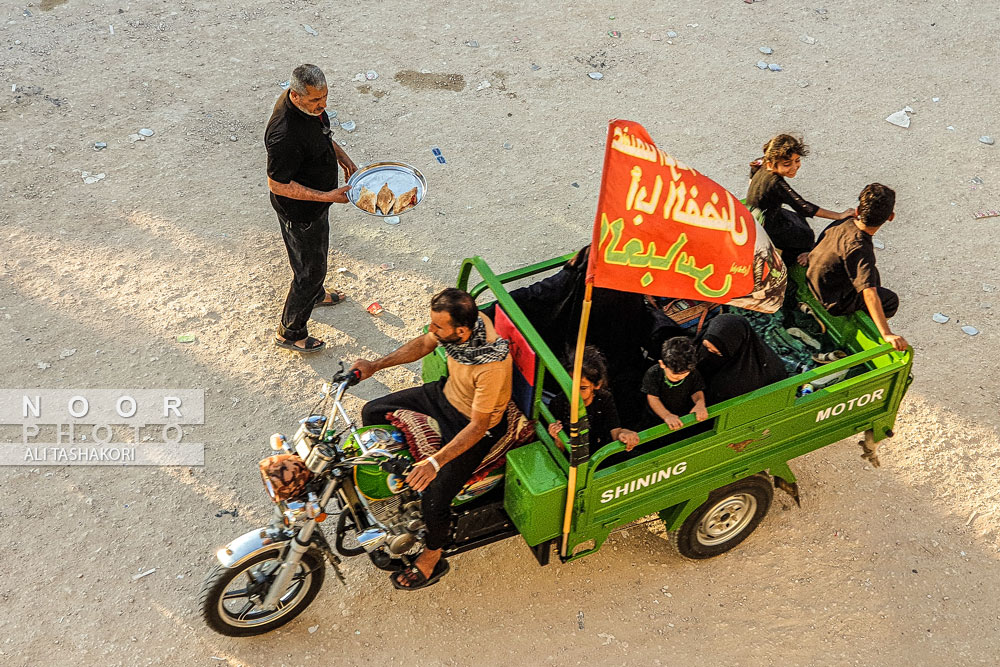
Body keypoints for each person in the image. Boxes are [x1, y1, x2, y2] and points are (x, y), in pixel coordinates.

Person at [350, 288, 512, 590]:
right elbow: (425, 342)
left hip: (472, 425)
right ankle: (397, 495)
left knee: (436, 498)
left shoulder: (491, 366)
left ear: (461, 330)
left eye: (439, 327)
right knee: (373, 411)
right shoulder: (459, 333)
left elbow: (478, 426)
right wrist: (375, 366)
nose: (432, 330)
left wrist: (433, 463)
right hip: (446, 395)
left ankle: (433, 555)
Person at [265, 64, 358, 353]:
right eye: (317, 100)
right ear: (295, 96)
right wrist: (327, 196)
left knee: (311, 260)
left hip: (317, 206)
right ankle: (290, 332)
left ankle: (315, 295)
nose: (324, 105)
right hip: (300, 213)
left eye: (325, 96)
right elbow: (277, 184)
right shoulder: (284, 135)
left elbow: (323, 135)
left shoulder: (310, 109)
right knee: (310, 271)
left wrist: (342, 157)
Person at [806, 183, 908, 351]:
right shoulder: (861, 248)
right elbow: (869, 293)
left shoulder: (844, 222)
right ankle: (863, 327)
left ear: (858, 211)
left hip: (814, 280)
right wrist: (886, 333)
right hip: (832, 301)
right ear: (891, 217)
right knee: (889, 300)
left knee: (871, 274)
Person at [746, 134, 855, 267]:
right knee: (806, 237)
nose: (794, 167)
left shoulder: (761, 162)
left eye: (797, 160)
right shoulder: (776, 183)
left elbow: (752, 173)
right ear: (770, 165)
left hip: (757, 214)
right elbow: (803, 207)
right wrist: (839, 215)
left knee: (799, 223)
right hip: (770, 225)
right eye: (787, 164)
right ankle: (789, 263)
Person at [547, 346, 640, 451]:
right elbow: (561, 448)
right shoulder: (558, 403)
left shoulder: (604, 398)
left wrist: (625, 434)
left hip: (599, 454)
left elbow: (615, 431)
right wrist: (557, 436)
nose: (575, 394)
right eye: (570, 386)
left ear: (597, 385)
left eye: (582, 388)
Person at [697, 314, 788, 403]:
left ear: (735, 347)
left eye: (717, 352)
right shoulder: (701, 347)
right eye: (706, 347)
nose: (708, 352)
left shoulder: (744, 380)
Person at [641, 337, 709, 431]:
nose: (680, 377)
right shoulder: (653, 373)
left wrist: (700, 403)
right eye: (675, 375)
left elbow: (696, 390)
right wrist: (667, 415)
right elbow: (653, 398)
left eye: (684, 374)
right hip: (656, 418)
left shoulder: (693, 373)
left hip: (683, 413)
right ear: (662, 364)